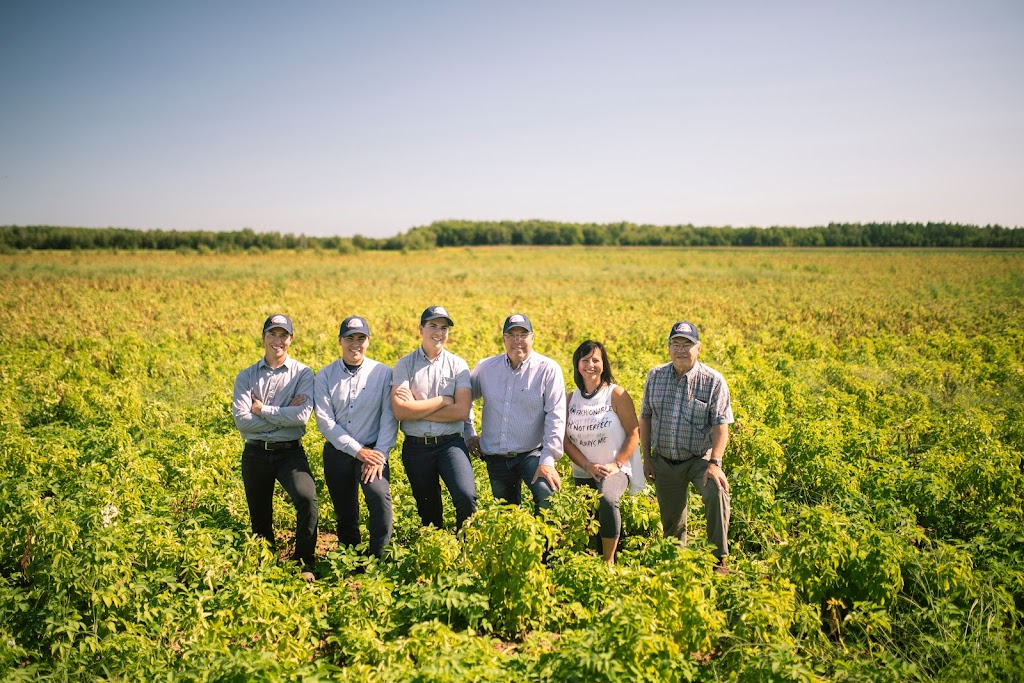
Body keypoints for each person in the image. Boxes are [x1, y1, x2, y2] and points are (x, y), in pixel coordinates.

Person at [640, 321, 733, 574]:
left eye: (687, 344)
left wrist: (715, 463)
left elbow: (721, 425)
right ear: (668, 347)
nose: (681, 350)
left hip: (698, 459)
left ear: (698, 348)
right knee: (672, 523)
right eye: (676, 344)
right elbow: (645, 417)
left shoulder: (713, 381)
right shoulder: (655, 376)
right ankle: (675, 564)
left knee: (717, 490)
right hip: (665, 459)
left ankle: (718, 558)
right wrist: (646, 458)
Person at [232, 314, 319, 581]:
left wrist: (262, 410)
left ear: (291, 339)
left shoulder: (303, 374)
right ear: (263, 337)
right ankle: (266, 563)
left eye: (283, 335)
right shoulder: (246, 376)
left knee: (307, 498)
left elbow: (301, 417)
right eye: (272, 334)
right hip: (255, 452)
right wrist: (283, 414)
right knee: (260, 514)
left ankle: (303, 562)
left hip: (290, 452)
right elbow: (242, 421)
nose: (277, 340)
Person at [314, 316, 397, 559]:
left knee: (380, 497)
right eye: (350, 338)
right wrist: (357, 451)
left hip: (373, 452)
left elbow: (389, 418)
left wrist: (379, 455)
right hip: (338, 452)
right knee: (345, 512)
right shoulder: (325, 376)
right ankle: (352, 562)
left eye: (361, 338)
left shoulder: (382, 374)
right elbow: (325, 422)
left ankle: (379, 558)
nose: (355, 344)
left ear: (368, 341)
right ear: (340, 340)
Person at [466, 314, 566, 513]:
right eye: (511, 335)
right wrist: (469, 433)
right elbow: (464, 398)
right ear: (503, 339)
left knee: (547, 497)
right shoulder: (486, 368)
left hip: (532, 453)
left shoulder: (548, 370)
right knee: (506, 514)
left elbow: (556, 416)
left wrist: (548, 459)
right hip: (496, 457)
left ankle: (544, 544)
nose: (517, 340)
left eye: (523, 334)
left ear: (532, 338)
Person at [391, 306, 477, 530]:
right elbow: (400, 412)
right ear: (421, 329)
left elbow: (461, 412)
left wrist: (416, 408)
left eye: (444, 328)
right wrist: (442, 401)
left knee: (467, 498)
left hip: (451, 445)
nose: (438, 332)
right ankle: (437, 556)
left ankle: (464, 551)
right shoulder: (404, 365)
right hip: (416, 448)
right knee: (429, 513)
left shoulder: (458, 365)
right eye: (433, 326)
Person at [563, 340, 642, 565]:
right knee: (589, 521)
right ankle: (591, 563)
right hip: (584, 470)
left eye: (595, 360)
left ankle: (609, 563)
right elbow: (564, 440)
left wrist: (616, 464)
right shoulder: (571, 399)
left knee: (607, 499)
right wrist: (587, 465)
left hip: (614, 469)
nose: (590, 365)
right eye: (585, 360)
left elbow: (634, 432)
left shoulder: (615, 394)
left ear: (604, 364)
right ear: (577, 365)